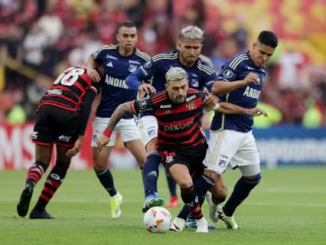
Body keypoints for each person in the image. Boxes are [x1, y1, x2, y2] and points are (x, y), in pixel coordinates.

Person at [96, 67, 267, 232]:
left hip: (199, 150)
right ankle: (196, 220)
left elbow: (221, 107)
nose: (180, 92)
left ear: (187, 84)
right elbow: (121, 108)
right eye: (175, 88)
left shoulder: (197, 96)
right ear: (167, 87)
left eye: (183, 87)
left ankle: (194, 210)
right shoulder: (154, 102)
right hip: (173, 151)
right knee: (186, 183)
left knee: (221, 194)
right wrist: (106, 133)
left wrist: (248, 110)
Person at [125, 26, 227, 215]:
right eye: (187, 47)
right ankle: (150, 195)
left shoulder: (204, 69)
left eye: (196, 48)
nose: (191, 52)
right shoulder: (162, 61)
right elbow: (132, 78)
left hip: (185, 122)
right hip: (154, 114)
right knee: (154, 146)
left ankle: (190, 214)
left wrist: (214, 98)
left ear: (201, 47)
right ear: (179, 44)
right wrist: (142, 85)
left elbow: (216, 89)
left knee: (201, 174)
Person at [204, 30, 278, 229]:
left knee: (253, 177)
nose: (264, 58)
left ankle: (227, 212)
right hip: (226, 127)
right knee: (209, 177)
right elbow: (217, 88)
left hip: (245, 130)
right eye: (262, 52)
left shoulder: (262, 70)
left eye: (269, 55)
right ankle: (187, 217)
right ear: (254, 45)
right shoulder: (238, 63)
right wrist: (243, 81)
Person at [17, 65, 101, 219]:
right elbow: (86, 105)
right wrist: (81, 136)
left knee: (41, 162)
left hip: (45, 107)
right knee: (62, 163)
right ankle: (38, 210)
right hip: (66, 111)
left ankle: (30, 184)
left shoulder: (72, 68)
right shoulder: (96, 77)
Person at [86, 20, 149, 219]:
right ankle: (114, 195)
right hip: (105, 116)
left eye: (133, 36)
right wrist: (90, 69)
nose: (129, 40)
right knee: (99, 165)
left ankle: (150, 197)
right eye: (126, 36)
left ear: (136, 38)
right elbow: (92, 58)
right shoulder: (106, 52)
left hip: (129, 116)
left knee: (145, 161)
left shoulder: (143, 59)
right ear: (118, 37)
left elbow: (151, 80)